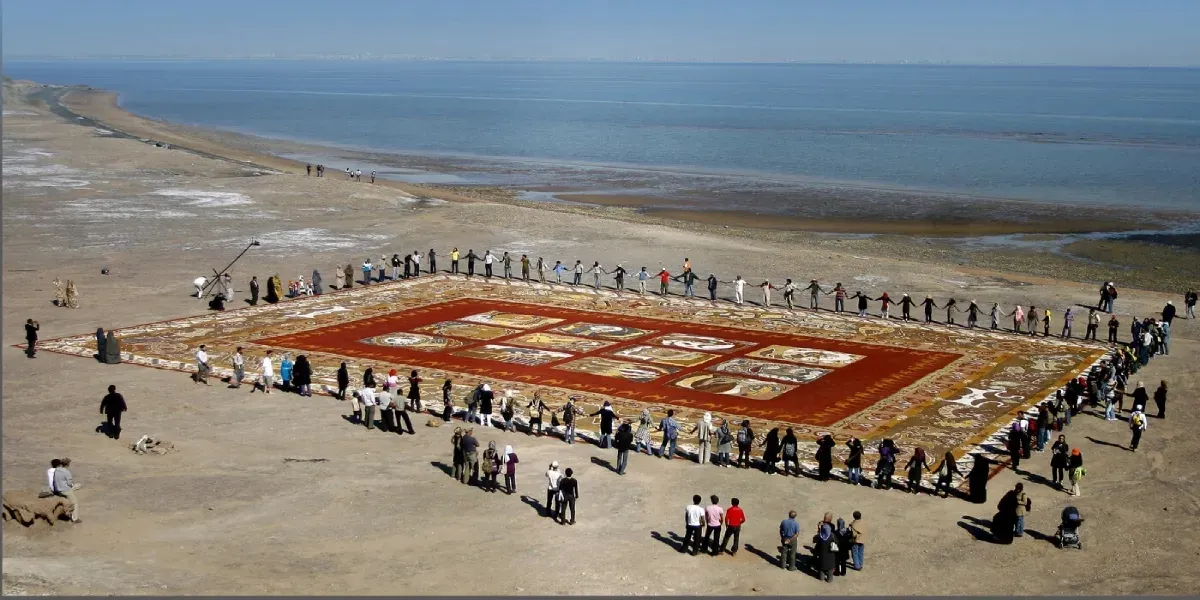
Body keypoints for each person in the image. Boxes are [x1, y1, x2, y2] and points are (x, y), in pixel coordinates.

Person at [51, 458, 82, 523]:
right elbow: (69, 483)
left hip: (58, 490)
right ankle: (75, 518)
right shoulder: (66, 472)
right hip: (65, 490)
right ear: (68, 464)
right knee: (75, 503)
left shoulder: (56, 470)